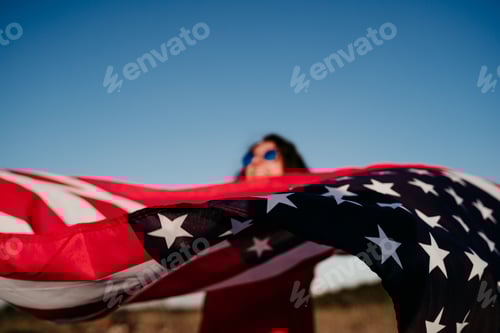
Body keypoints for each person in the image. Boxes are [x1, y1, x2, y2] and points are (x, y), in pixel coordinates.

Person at [198, 133, 332, 333]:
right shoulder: (221, 212)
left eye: (270, 155)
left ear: (290, 166)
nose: (255, 161)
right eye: (249, 157)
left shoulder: (312, 211)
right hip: (221, 323)